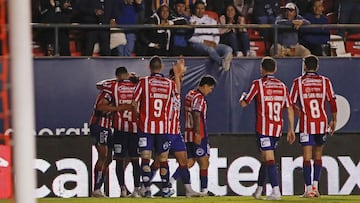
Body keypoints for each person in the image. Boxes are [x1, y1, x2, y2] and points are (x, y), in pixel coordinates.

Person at [239, 56, 295, 200]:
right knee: (265, 159)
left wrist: (242, 97)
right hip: (277, 128)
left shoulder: (257, 84)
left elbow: (245, 103)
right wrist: (291, 129)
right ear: (275, 69)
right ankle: (258, 190)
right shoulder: (282, 86)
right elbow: (289, 108)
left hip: (263, 129)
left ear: (261, 69)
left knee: (269, 158)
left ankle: (276, 191)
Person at [289, 55, 337, 198]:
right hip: (321, 123)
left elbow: (291, 104)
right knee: (318, 155)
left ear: (304, 66)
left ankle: (308, 189)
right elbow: (332, 102)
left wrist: (297, 117)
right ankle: (315, 187)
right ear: (317, 67)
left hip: (306, 124)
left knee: (306, 157)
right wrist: (334, 120)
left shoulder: (298, 82)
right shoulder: (325, 81)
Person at [133, 56, 179, 197]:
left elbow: (134, 103)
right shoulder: (170, 84)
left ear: (149, 67)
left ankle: (146, 189)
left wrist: (139, 117)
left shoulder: (144, 82)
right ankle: (165, 189)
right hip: (163, 128)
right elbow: (176, 103)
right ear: (162, 67)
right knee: (163, 159)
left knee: (145, 158)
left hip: (146, 127)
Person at [89, 68, 133, 197]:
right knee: (103, 155)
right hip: (100, 125)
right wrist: (118, 108)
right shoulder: (109, 91)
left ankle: (98, 188)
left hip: (107, 127)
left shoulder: (115, 89)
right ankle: (96, 189)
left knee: (108, 158)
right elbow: (100, 107)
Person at [102, 67, 142, 197]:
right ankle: (136, 189)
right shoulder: (137, 85)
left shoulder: (114, 86)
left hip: (120, 130)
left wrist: (118, 79)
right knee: (136, 160)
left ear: (117, 75)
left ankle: (122, 189)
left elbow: (100, 85)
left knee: (119, 160)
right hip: (134, 129)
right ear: (127, 74)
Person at [183, 75, 217, 196]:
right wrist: (197, 133)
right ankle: (204, 190)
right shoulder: (199, 98)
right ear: (205, 85)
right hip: (197, 134)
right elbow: (196, 114)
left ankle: (170, 182)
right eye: (210, 88)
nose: (210, 91)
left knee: (189, 162)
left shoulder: (189, 94)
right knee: (204, 162)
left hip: (188, 133)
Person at [188, 1, 233, 71]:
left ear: (204, 9)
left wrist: (215, 43)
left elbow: (216, 34)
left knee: (228, 49)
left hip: (212, 44)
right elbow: (189, 37)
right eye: (198, 8)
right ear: (194, 9)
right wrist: (204, 41)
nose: (200, 11)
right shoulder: (190, 21)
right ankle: (221, 63)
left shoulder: (211, 20)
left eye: (202, 8)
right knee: (210, 49)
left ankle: (223, 63)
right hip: (198, 44)